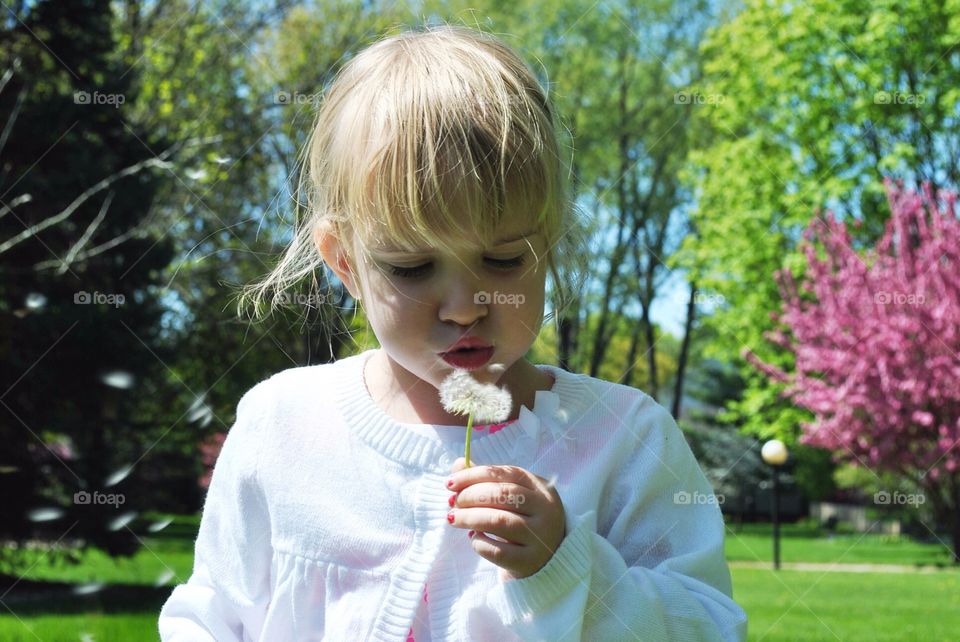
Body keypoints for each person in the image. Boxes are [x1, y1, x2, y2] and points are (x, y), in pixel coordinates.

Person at [158, 23, 748, 642]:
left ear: (548, 243)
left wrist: (567, 566)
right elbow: (210, 616)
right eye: (412, 268)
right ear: (344, 262)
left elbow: (706, 628)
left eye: (503, 260)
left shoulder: (625, 439)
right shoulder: (281, 425)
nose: (466, 307)